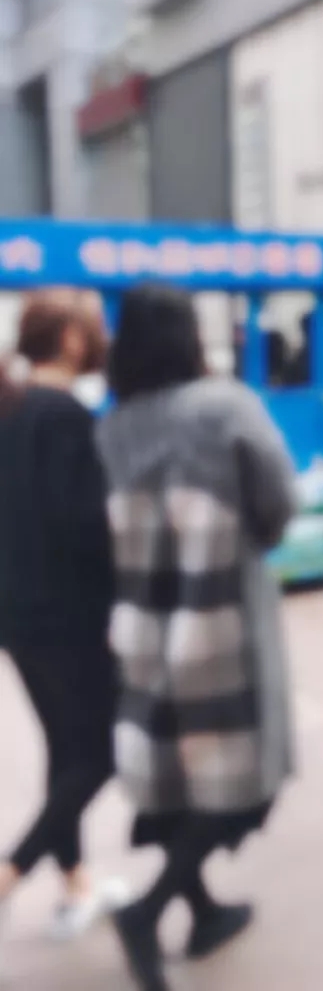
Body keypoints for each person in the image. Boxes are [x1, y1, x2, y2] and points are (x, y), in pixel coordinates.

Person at [97, 285, 297, 991]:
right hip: (220, 623)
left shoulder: (114, 426)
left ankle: (205, 911)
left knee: (179, 778)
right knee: (245, 786)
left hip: (141, 625)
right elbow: (278, 500)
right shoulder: (224, 406)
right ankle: (148, 911)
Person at [0, 290, 126, 940]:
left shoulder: (12, 407)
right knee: (102, 753)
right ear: (72, 340)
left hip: (18, 616)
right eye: (93, 327)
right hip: (68, 618)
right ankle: (11, 871)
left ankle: (76, 884)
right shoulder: (67, 416)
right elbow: (85, 528)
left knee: (65, 749)